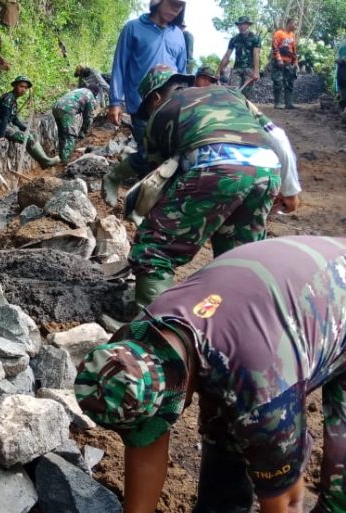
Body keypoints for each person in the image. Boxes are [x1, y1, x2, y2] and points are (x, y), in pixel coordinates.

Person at [75, 236, 346, 513]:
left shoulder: (263, 394)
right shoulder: (137, 342)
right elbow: (145, 441)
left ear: (179, 390)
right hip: (305, 308)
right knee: (225, 421)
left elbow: (286, 505)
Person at [127, 65, 292, 306]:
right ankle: (233, 322)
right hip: (268, 168)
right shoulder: (230, 94)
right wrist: (290, 189)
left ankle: (152, 324)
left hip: (216, 168)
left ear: (155, 98)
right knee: (239, 257)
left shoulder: (161, 112)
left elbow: (160, 178)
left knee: (153, 247)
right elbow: (278, 136)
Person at [103, 0, 189, 204]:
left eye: (180, 6)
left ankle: (150, 199)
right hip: (142, 105)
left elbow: (182, 72)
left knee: (172, 157)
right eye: (173, 4)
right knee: (148, 154)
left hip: (170, 107)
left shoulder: (178, 35)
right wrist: (115, 101)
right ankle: (115, 178)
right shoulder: (133, 28)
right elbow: (120, 65)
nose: (175, 10)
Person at [0, 75, 60, 168]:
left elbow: (14, 119)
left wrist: (25, 128)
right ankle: (46, 161)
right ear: (15, 86)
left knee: (32, 133)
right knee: (28, 138)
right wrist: (0, 136)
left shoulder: (13, 100)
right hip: (0, 127)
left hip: (9, 125)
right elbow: (5, 118)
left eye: (25, 88)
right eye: (21, 86)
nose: (23, 90)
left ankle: (44, 160)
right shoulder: (8, 99)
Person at [218, 16, 261, 100]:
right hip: (237, 69)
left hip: (249, 70)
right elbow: (227, 55)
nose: (241, 26)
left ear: (248, 25)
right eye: (239, 24)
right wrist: (218, 71)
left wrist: (256, 72)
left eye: (243, 24)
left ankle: (246, 107)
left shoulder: (255, 38)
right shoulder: (234, 39)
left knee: (246, 96)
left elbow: (256, 54)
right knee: (233, 93)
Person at [52, 87, 99, 161]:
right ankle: (65, 161)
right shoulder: (90, 96)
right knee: (70, 136)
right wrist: (83, 132)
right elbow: (89, 118)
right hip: (67, 110)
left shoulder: (80, 90)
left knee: (62, 134)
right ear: (95, 93)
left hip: (56, 107)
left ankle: (61, 157)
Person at [272, 17, 300, 109]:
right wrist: (279, 59)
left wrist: (295, 61)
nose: (296, 26)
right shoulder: (279, 33)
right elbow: (274, 46)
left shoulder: (292, 35)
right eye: (295, 24)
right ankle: (278, 103)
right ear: (290, 23)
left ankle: (289, 103)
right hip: (278, 62)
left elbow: (294, 50)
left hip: (289, 63)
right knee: (278, 82)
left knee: (289, 82)